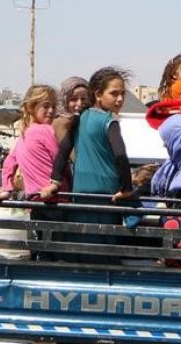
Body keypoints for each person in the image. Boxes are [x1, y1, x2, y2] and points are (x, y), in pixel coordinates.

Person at [40, 67, 134, 256]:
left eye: (122, 94)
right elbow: (121, 156)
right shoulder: (109, 121)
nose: (120, 99)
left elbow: (64, 151)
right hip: (107, 195)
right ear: (98, 94)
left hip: (81, 193)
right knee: (106, 248)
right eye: (114, 94)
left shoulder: (79, 118)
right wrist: (127, 189)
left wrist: (54, 182)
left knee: (82, 244)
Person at [0, 84, 70, 206]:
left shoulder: (23, 135)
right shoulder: (45, 130)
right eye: (46, 106)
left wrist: (6, 190)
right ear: (31, 107)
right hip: (57, 198)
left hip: (34, 200)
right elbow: (60, 161)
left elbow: (8, 165)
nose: (51, 111)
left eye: (53, 106)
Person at [52, 76, 89, 144]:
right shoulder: (62, 123)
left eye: (83, 99)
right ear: (65, 101)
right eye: (73, 99)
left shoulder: (90, 120)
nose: (79, 103)